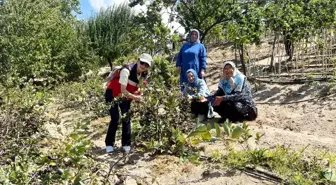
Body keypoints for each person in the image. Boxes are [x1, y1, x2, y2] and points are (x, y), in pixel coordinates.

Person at [104, 53, 152, 153]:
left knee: (126, 118)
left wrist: (141, 96)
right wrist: (136, 98)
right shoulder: (126, 71)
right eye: (142, 63)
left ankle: (126, 144)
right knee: (115, 118)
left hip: (126, 97)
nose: (143, 66)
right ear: (138, 60)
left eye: (146, 65)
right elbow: (123, 91)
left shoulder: (143, 75)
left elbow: (139, 88)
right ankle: (109, 144)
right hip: (112, 94)